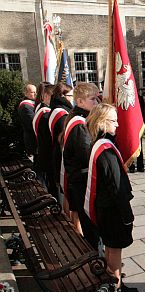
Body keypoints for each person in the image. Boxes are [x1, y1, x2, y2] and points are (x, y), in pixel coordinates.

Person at [84, 103, 139, 292]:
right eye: (113, 121)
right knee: (114, 248)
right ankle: (115, 288)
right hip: (112, 210)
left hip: (106, 208)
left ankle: (113, 281)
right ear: (102, 123)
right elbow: (117, 187)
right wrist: (126, 215)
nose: (117, 125)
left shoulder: (100, 144)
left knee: (110, 246)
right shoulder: (106, 150)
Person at [62, 82, 100, 249]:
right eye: (92, 99)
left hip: (81, 179)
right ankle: (97, 263)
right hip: (83, 181)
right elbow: (87, 155)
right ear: (80, 102)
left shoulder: (81, 119)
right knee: (91, 227)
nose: (96, 103)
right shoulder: (79, 124)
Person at [49, 82, 73, 203]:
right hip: (62, 155)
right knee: (68, 197)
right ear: (63, 96)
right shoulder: (62, 114)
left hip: (57, 152)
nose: (71, 98)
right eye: (70, 95)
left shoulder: (55, 109)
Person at [34, 83, 56, 195]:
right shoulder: (45, 113)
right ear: (45, 96)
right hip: (46, 156)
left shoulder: (42, 109)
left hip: (43, 154)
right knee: (49, 187)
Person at [18, 83, 37, 159]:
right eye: (32, 92)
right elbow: (32, 124)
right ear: (26, 93)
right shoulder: (25, 106)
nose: (35, 94)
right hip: (32, 140)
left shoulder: (32, 104)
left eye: (36, 92)